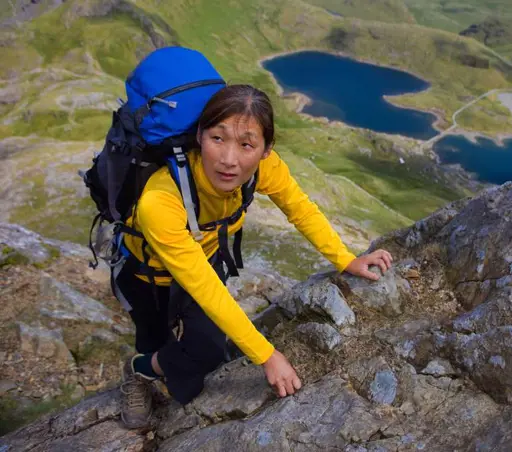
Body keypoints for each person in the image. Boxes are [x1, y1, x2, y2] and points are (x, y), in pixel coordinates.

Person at [115, 84, 394, 429]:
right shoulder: (160, 200)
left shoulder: (266, 168)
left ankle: (166, 370)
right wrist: (267, 355)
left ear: (265, 149)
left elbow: (300, 210)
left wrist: (345, 260)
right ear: (199, 135)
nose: (230, 159)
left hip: (207, 257)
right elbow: (203, 287)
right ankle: (139, 372)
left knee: (206, 353)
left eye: (246, 144)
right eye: (218, 138)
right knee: (159, 343)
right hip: (147, 277)